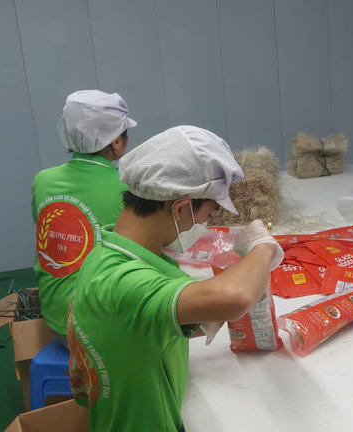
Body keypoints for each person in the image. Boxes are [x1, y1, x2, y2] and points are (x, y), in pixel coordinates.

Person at [67, 125, 284, 431]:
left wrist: (206, 314)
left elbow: (142, 322)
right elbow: (236, 297)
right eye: (209, 212)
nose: (207, 223)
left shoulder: (109, 253)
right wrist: (262, 247)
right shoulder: (123, 281)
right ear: (181, 208)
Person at [32, 90, 136, 338]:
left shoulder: (42, 180)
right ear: (117, 141)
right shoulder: (127, 187)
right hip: (99, 329)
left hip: (55, 321)